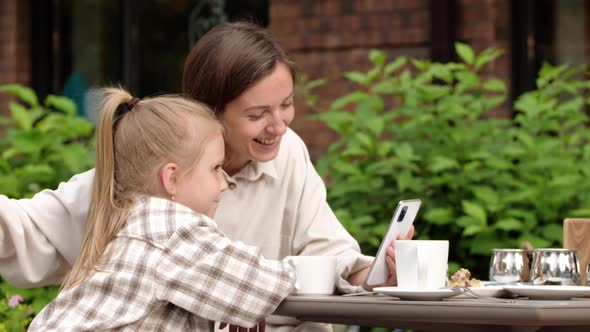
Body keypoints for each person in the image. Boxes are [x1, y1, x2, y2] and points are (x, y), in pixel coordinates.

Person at [0, 22, 412, 331]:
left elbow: (330, 256)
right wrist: (335, 275)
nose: (279, 125)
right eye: (257, 114)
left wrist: (373, 276)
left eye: (286, 104)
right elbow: (24, 231)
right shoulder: (148, 199)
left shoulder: (287, 155)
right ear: (210, 114)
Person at [28, 88, 294, 330]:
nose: (224, 183)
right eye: (215, 169)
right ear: (171, 179)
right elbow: (259, 287)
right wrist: (325, 273)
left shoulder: (130, 221)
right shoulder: (172, 233)